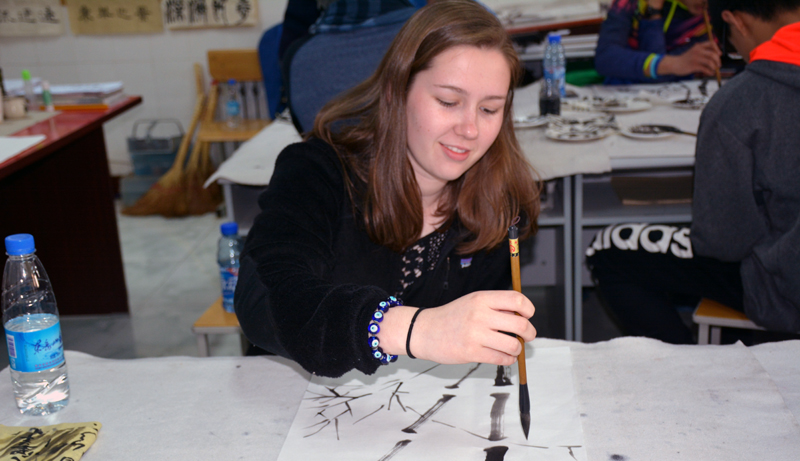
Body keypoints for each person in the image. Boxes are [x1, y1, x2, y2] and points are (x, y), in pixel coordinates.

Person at [235, 0, 541, 377]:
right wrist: (412, 329)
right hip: (295, 393)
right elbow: (265, 297)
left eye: (489, 109)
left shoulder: (499, 202)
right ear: (396, 91)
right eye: (448, 102)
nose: (470, 129)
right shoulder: (318, 170)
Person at [586, 0, 800, 343]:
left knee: (608, 249)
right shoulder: (632, 7)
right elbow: (608, 58)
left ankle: (693, 365)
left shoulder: (740, 101)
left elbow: (722, 243)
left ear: (735, 21)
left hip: (783, 289)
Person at [595, 0, 723, 83]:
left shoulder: (712, 14)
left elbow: (661, 76)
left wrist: (669, 65)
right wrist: (653, 11)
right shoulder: (629, 4)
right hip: (622, 96)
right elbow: (605, 58)